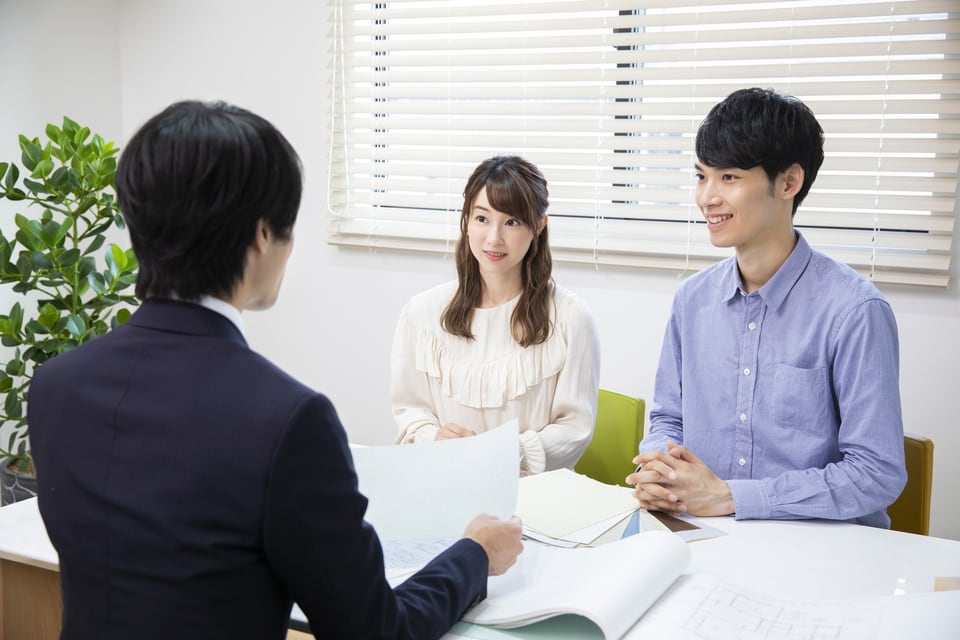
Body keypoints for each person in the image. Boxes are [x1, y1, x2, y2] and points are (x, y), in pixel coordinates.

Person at [28, 100, 523, 640]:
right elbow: (378, 630)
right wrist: (474, 554)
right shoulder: (287, 420)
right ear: (264, 235)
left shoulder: (55, 386)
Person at [627, 88, 906, 528]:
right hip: (705, 535)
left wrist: (731, 497)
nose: (707, 198)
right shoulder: (692, 299)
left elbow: (876, 473)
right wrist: (661, 471)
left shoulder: (855, 310)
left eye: (730, 178)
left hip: (820, 552)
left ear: (789, 183)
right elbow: (668, 417)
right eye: (701, 176)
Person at [391, 156, 601, 474]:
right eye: (482, 219)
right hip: (446, 484)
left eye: (512, 222)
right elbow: (410, 413)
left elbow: (574, 430)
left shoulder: (570, 319)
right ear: (466, 221)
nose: (493, 238)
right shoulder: (421, 314)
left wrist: (505, 452)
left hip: (536, 500)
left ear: (539, 226)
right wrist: (433, 438)